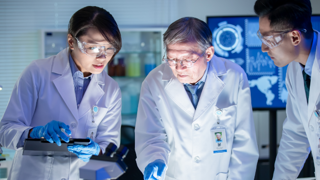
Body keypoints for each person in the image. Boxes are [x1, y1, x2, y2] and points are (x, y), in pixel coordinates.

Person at [0, 6, 122, 180]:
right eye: (93, 48)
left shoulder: (111, 89)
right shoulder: (37, 72)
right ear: (71, 42)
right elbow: (5, 131)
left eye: (109, 48)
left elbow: (109, 145)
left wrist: (97, 150)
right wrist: (35, 133)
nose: (103, 57)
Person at [135, 17, 259, 180]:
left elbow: (244, 143)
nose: (179, 68)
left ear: (208, 54)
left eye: (188, 60)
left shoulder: (235, 76)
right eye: (171, 59)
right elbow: (151, 136)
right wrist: (154, 159)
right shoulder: (154, 81)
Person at [254, 0, 320, 179]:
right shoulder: (295, 69)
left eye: (268, 39)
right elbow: (296, 134)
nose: (263, 48)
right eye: (261, 38)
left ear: (295, 37)